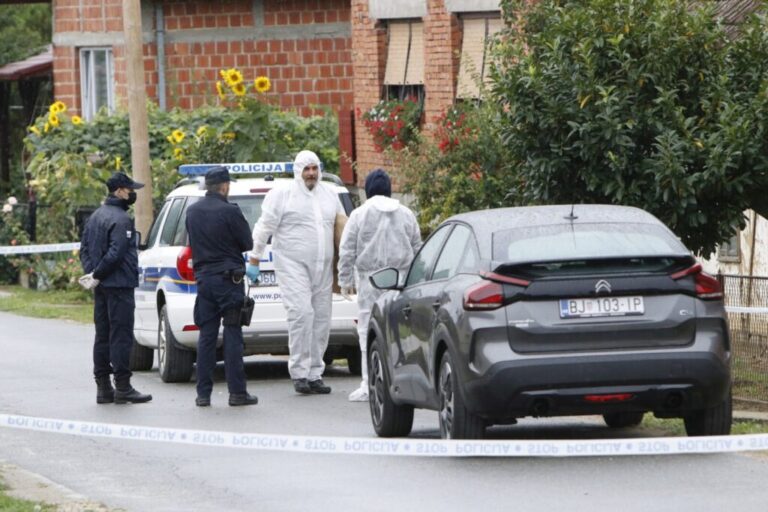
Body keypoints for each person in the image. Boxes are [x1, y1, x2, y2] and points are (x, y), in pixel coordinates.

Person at [247, 150, 345, 395]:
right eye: (306, 169)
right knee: (301, 314)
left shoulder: (329, 194)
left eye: (314, 168)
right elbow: (264, 226)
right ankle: (299, 372)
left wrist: (344, 263)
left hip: (323, 268)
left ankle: (315, 373)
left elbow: (342, 228)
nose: (311, 174)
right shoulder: (282, 194)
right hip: (292, 265)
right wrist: (255, 258)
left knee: (321, 319)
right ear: (298, 171)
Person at [337, 169, 422, 402]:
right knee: (402, 332)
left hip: (370, 281)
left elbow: (347, 249)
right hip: (401, 280)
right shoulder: (406, 214)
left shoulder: (359, 215)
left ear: (367, 190)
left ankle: (370, 384)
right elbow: (418, 248)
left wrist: (345, 280)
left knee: (368, 331)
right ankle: (405, 382)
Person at [185, 166, 259, 407]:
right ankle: (237, 393)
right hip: (229, 281)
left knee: (207, 336)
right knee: (232, 333)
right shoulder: (230, 211)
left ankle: (203, 394)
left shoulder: (192, 211)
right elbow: (247, 243)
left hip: (204, 281)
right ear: (225, 186)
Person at [79, 172, 152, 405]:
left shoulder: (95, 216)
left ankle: (103, 387)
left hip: (101, 286)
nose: (133, 194)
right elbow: (116, 252)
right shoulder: (121, 219)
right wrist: (98, 274)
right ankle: (123, 386)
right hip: (119, 284)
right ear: (120, 191)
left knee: (103, 335)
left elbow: (84, 249)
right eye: (131, 190)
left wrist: (93, 274)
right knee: (120, 335)